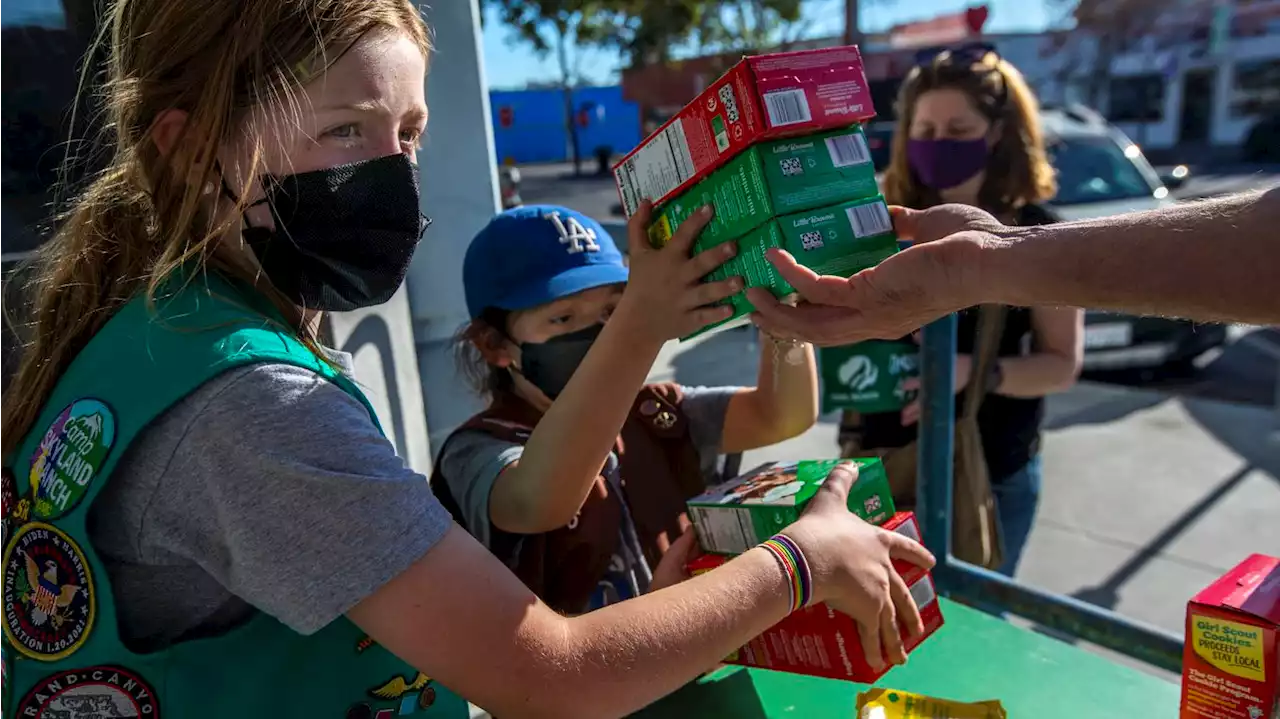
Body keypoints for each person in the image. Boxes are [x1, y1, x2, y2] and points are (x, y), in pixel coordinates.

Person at [0, 1, 935, 716]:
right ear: (193, 147)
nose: (393, 175)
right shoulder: (252, 405)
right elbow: (547, 674)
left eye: (407, 134)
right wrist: (801, 560)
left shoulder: (162, 332)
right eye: (344, 132)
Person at [433, 204, 819, 613]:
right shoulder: (477, 450)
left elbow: (780, 414)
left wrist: (782, 312)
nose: (604, 333)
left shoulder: (655, 413)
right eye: (563, 318)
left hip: (695, 656)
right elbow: (535, 502)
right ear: (493, 345)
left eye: (612, 311)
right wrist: (638, 330)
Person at [835, 44, 1082, 576]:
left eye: (957, 129)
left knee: (978, 632)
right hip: (877, 464)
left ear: (996, 134)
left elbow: (1060, 364)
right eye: (924, 131)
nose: (937, 143)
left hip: (991, 474)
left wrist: (974, 373)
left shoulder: (1040, 232)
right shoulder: (877, 223)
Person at [747, 188, 1280, 345]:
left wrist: (981, 261)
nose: (938, 144)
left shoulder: (1037, 220)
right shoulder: (895, 227)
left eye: (957, 128)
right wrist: (981, 259)